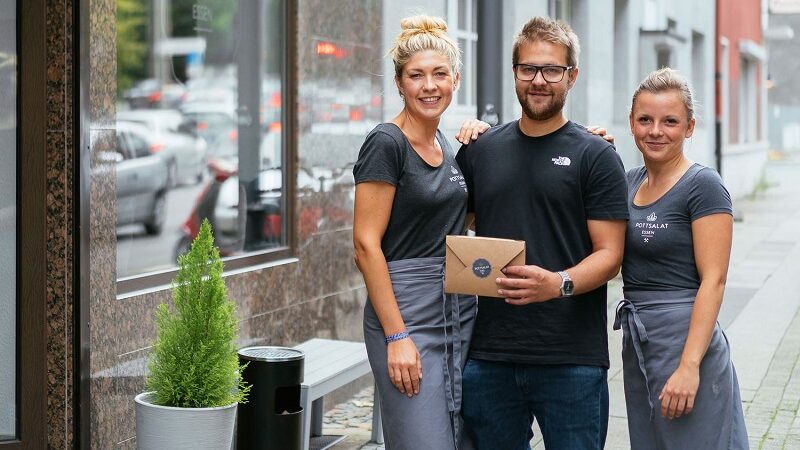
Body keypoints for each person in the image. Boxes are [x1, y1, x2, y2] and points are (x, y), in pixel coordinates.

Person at [455, 16, 629, 449]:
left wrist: (558, 283)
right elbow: (457, 223)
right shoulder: (480, 151)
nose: (539, 81)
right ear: (514, 72)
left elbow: (611, 254)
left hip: (571, 358)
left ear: (572, 76)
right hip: (489, 355)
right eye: (529, 69)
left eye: (552, 70)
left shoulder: (595, 155)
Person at [352, 15, 478, 450]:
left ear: (455, 79)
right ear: (400, 83)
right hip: (405, 312)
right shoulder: (387, 143)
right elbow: (366, 246)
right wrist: (397, 336)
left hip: (458, 310)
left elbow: (466, 221)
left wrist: (484, 141)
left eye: (439, 74)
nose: (429, 85)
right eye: (416, 75)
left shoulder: (447, 146)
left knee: (462, 439)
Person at [613, 67, 748, 449]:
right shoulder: (628, 181)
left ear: (689, 127)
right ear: (632, 123)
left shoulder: (703, 185)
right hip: (640, 343)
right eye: (645, 120)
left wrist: (690, 367)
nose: (656, 131)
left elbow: (714, 280)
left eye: (669, 121)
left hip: (688, 341)